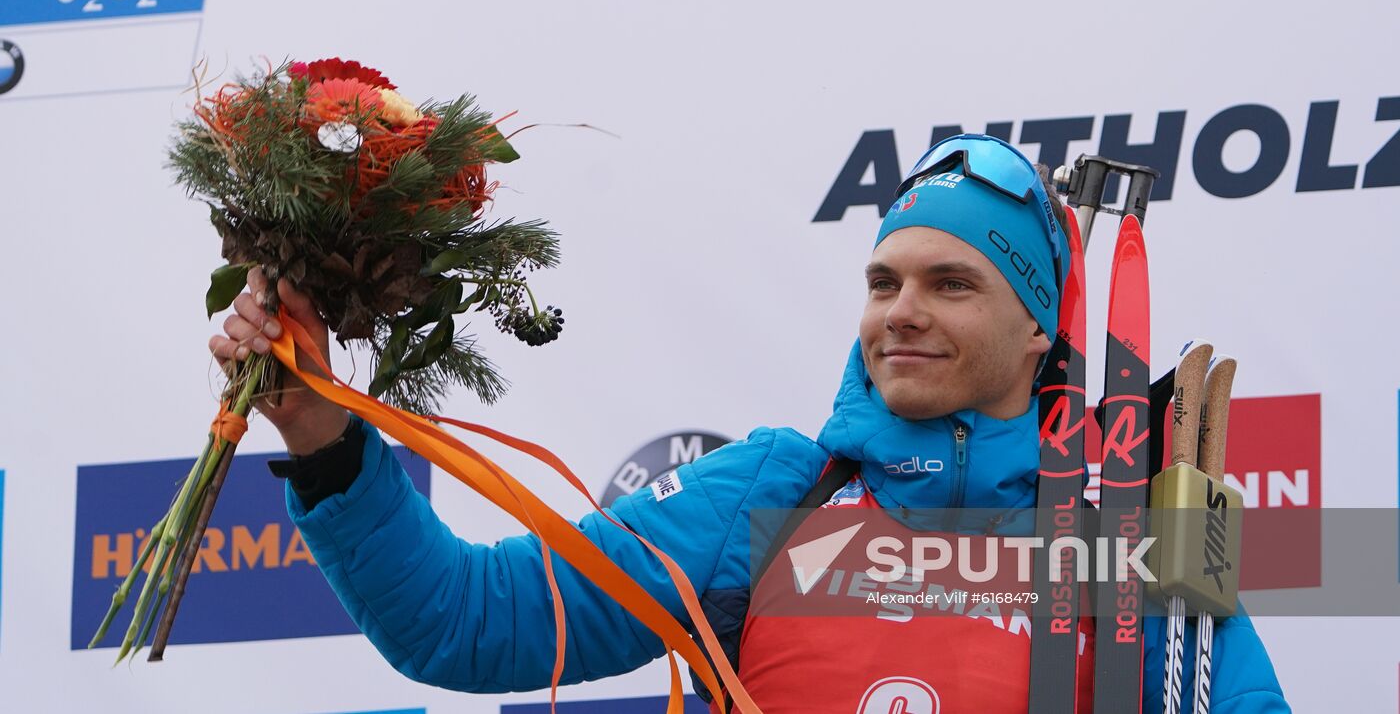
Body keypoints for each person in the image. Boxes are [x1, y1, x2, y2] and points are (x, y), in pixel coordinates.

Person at [211, 134, 1290, 713]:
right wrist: (318, 430)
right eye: (881, 280)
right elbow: (464, 619)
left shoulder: (1126, 532)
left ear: (1036, 335)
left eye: (950, 283)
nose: (899, 310)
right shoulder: (776, 490)